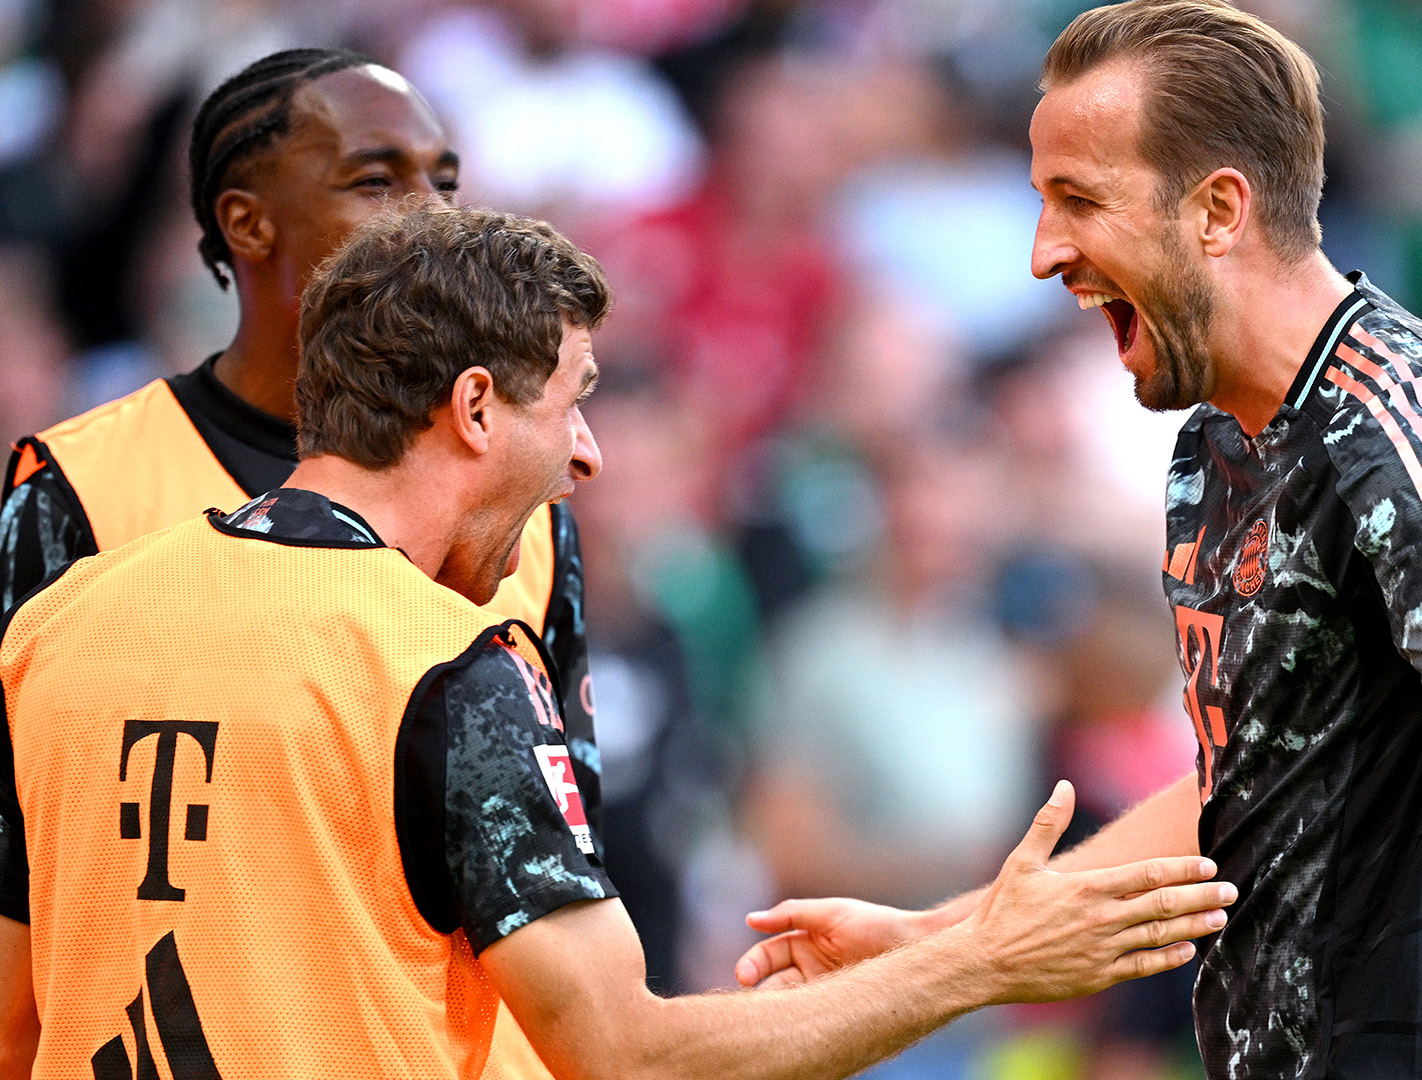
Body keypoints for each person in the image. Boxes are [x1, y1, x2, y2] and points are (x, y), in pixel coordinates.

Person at [0, 205, 1233, 1079]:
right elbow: (627, 1056)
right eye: (574, 399)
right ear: (475, 407)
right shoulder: (446, 664)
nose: (588, 453)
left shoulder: (60, 625)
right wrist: (978, 964)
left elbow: (14, 1023)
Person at [733, 4, 1422, 1079]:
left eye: (1077, 201)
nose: (1045, 253)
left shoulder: (1404, 439)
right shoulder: (1216, 443)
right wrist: (945, 937)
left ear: (1218, 211)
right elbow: (1246, 785)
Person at [0, 50, 597, 1074]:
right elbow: (20, 884)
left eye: (444, 181)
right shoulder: (76, 486)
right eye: (378, 179)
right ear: (247, 221)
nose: (429, 213)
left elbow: (566, 853)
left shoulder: (525, 491)